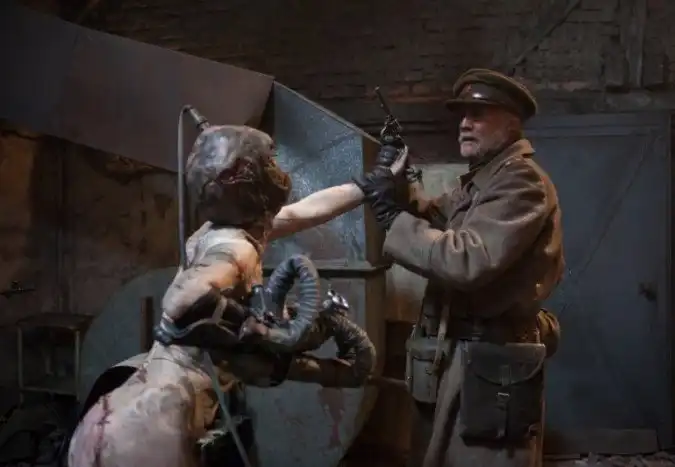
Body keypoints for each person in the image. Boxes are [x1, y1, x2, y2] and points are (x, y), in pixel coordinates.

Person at [67, 124, 407, 467]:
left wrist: (369, 184)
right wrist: (250, 322)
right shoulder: (237, 249)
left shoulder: (219, 231)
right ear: (248, 181)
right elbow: (182, 298)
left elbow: (303, 211)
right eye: (270, 163)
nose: (278, 171)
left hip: (132, 393)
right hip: (168, 404)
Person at [354, 69, 564, 467]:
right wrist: (398, 185)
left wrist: (392, 218)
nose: (465, 123)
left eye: (478, 114)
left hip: (491, 360)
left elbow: (467, 260)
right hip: (463, 356)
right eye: (463, 114)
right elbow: (434, 217)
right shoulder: (482, 181)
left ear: (511, 123)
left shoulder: (521, 182)